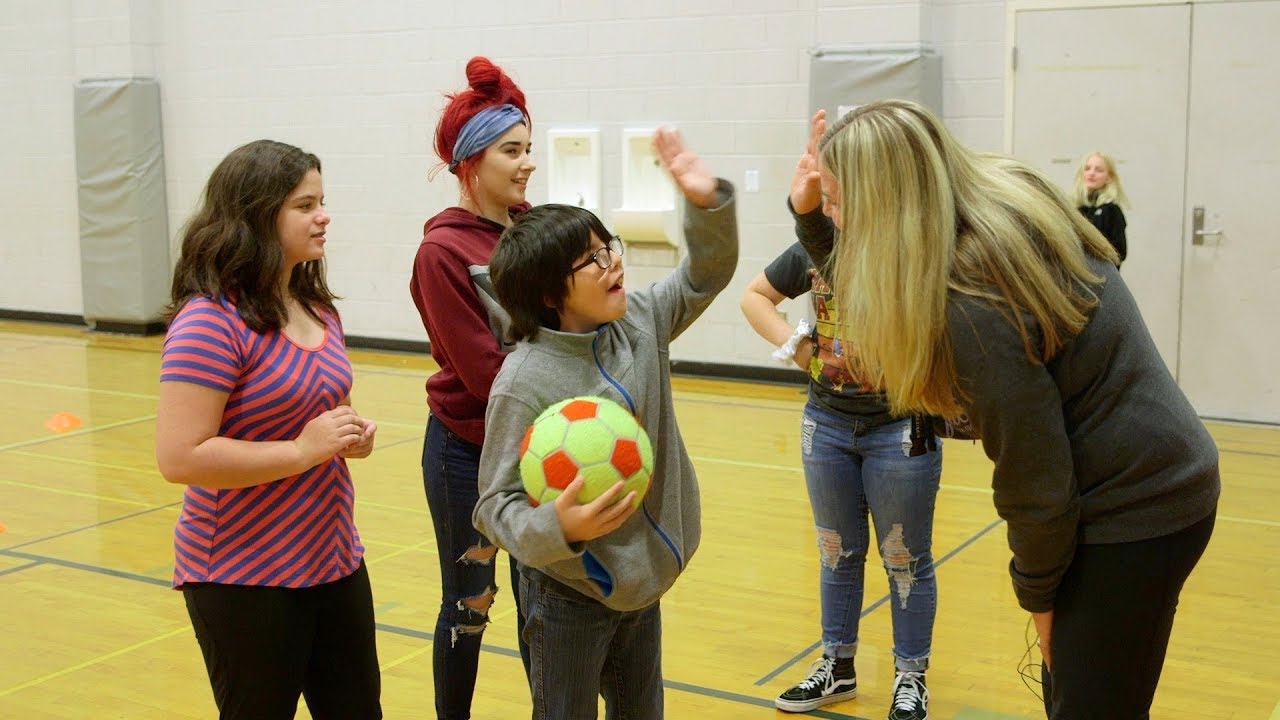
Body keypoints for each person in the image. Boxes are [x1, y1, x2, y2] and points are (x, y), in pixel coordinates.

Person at [796, 101, 1219, 719]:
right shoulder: (990, 196)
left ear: (882, 204)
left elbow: (1034, 479)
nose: (828, 214)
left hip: (1136, 505)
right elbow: (878, 275)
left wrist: (1041, 601)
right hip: (1155, 475)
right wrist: (809, 214)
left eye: (833, 201)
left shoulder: (970, 299)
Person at [474, 128, 737, 719]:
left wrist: (706, 206)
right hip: (568, 591)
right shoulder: (523, 381)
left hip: (644, 578)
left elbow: (705, 274)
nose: (613, 261)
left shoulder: (639, 322)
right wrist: (558, 527)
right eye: (592, 259)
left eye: (608, 246)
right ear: (550, 294)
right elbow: (494, 504)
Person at [155, 139, 382, 720]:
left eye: (322, 202)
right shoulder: (210, 321)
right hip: (242, 575)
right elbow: (180, 457)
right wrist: (302, 450)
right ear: (256, 217)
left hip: (333, 558)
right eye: (305, 206)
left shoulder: (317, 306)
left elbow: (325, 410)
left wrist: (348, 437)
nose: (323, 216)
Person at [741, 233, 942, 718]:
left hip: (900, 425)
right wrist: (798, 346)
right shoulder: (817, 244)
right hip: (826, 424)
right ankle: (838, 666)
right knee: (837, 552)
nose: (832, 204)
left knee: (905, 558)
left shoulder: (915, 239)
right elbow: (755, 296)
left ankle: (911, 677)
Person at [408, 55, 535, 718]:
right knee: (469, 605)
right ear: (471, 161)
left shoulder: (536, 230)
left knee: (545, 605)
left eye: (528, 148)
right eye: (512, 151)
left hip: (541, 447)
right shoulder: (443, 253)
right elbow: (487, 374)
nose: (527, 163)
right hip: (468, 452)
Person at [1073, 151, 1129, 263]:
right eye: (1087, 168)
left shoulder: (1111, 211)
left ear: (1109, 177)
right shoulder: (1077, 209)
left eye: (1098, 170)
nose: (1091, 173)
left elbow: (1119, 252)